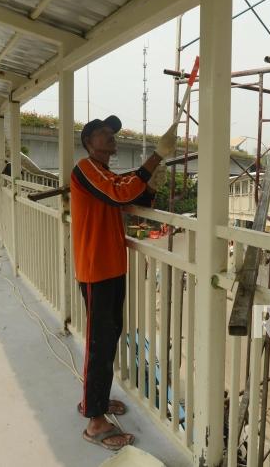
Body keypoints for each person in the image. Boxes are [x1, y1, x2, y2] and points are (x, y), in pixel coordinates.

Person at [71, 115, 175, 451]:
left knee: (109, 338)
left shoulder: (106, 174)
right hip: (96, 270)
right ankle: (94, 420)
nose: (111, 136)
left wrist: (152, 180)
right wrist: (155, 156)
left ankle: (95, 401)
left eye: (112, 132)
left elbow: (136, 201)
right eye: (104, 132)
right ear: (89, 142)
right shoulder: (85, 169)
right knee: (100, 345)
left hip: (111, 268)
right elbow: (118, 196)